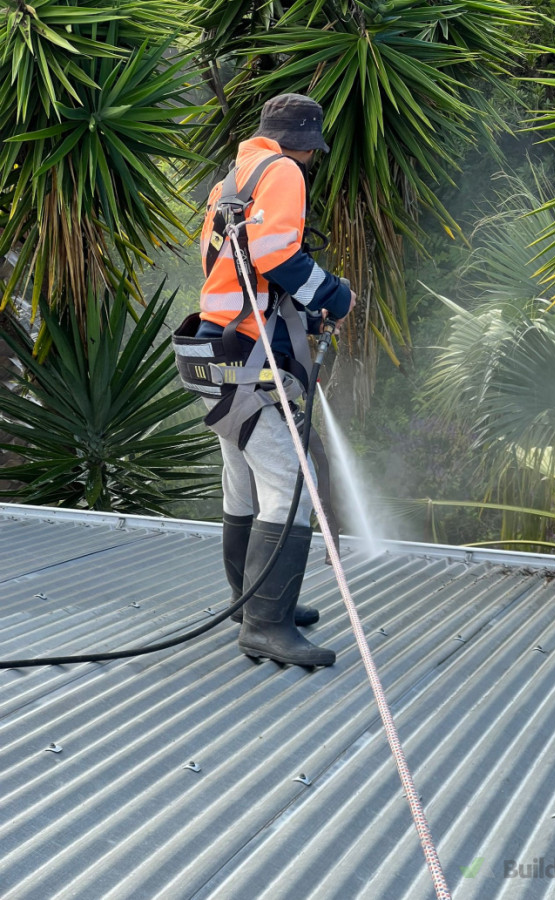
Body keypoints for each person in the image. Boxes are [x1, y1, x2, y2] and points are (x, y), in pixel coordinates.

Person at [194, 94, 355, 668]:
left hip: (214, 347)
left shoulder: (231, 181)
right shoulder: (284, 170)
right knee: (291, 479)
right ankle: (265, 626)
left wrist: (297, 313)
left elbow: (235, 269)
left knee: (242, 474)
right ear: (307, 143)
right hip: (248, 354)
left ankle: (248, 601)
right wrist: (334, 296)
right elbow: (272, 252)